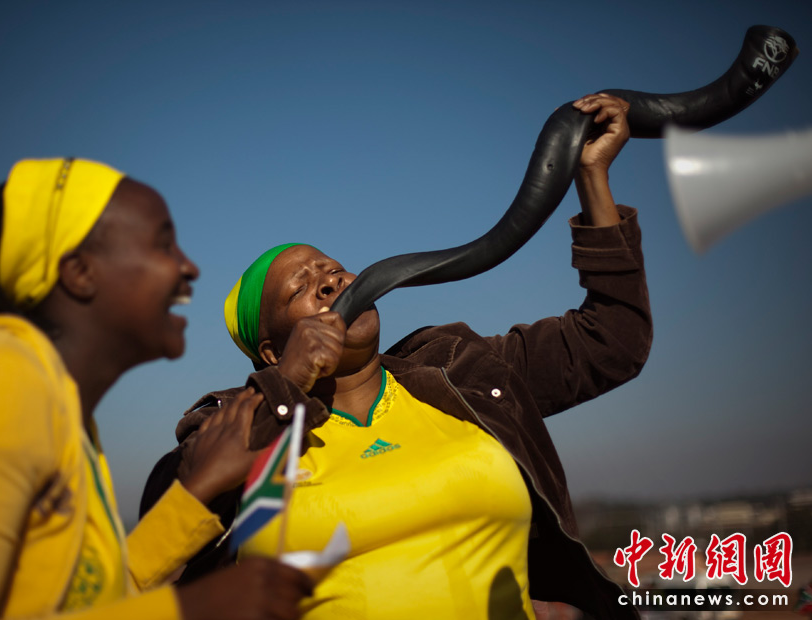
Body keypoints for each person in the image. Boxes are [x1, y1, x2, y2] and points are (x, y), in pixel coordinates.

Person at [143, 93, 650, 619]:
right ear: (271, 349)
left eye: (334, 270)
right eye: (303, 287)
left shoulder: (459, 371)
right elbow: (164, 524)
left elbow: (612, 341)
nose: (332, 282)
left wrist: (591, 178)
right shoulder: (231, 426)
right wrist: (288, 383)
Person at [0, 158, 313, 620]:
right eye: (163, 244)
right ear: (80, 272)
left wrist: (199, 488)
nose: (189, 268)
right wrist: (189, 608)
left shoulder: (62, 411)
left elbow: (93, 597)